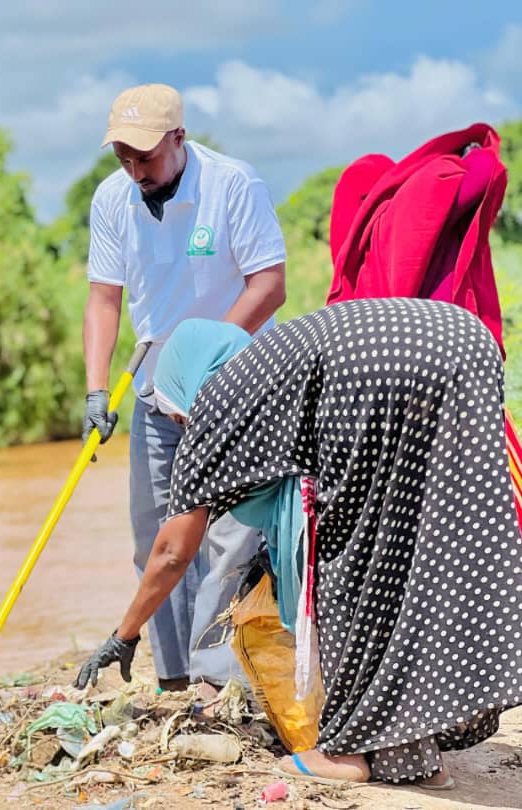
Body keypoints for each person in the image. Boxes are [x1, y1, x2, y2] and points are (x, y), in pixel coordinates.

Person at [75, 297, 522, 786]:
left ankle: (358, 752)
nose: (184, 427)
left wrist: (125, 634)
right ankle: (423, 741)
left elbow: (171, 550)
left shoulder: (216, 399)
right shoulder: (266, 367)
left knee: (350, 559)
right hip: (464, 339)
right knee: (429, 545)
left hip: (384, 369)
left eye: (178, 418)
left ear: (188, 383)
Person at [82, 83, 287, 696]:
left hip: (234, 388)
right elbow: (103, 298)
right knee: (158, 540)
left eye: (145, 156)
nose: (135, 169)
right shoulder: (113, 197)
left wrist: (206, 361)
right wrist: (96, 389)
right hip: (154, 395)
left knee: (227, 539)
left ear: (179, 137)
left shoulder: (232, 184)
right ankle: (173, 678)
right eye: (123, 157)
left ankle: (218, 685)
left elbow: (269, 284)